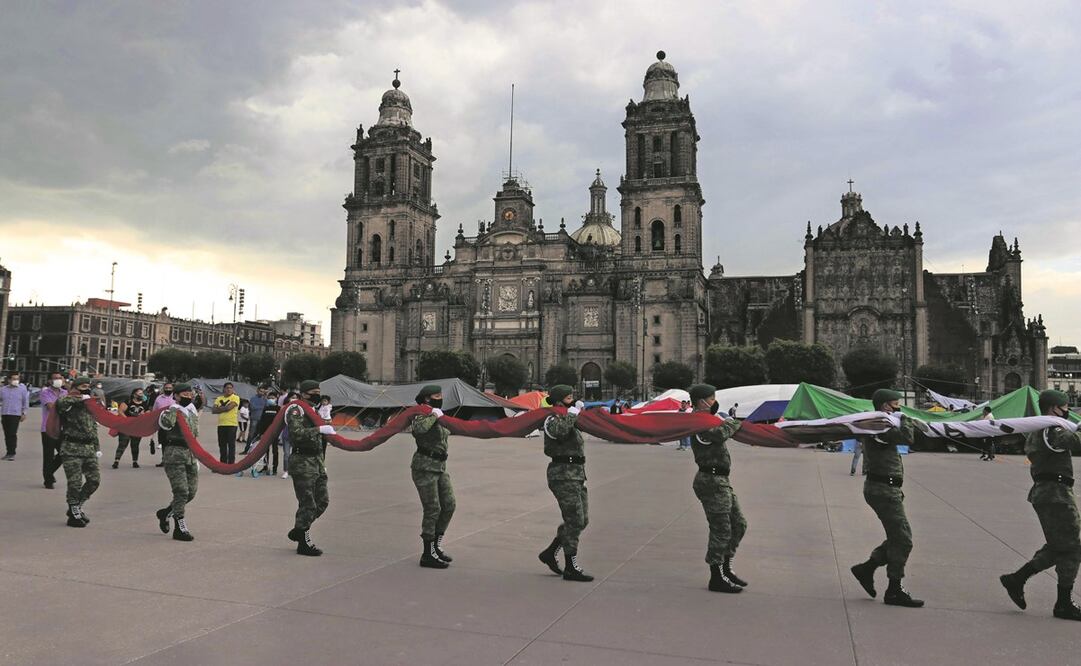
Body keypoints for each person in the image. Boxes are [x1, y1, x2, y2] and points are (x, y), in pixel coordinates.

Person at [999, 390, 1081, 621]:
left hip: (1052, 493)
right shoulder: (1051, 429)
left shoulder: (1042, 428)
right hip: (1055, 494)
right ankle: (1063, 603)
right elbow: (1073, 441)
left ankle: (1017, 579)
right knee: (1072, 547)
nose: (1068, 411)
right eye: (1065, 406)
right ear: (1054, 408)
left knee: (1060, 546)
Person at [850, 388, 925, 608]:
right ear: (885, 406)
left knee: (897, 537)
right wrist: (905, 419)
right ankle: (893, 590)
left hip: (885, 488)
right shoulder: (880, 425)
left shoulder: (880, 423)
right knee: (903, 539)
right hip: (882, 489)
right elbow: (907, 437)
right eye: (896, 404)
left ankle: (867, 568)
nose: (899, 408)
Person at [685, 383, 746, 593]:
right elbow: (718, 434)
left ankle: (725, 568)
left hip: (720, 480)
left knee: (739, 524)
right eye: (711, 398)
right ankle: (716, 577)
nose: (714, 401)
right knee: (721, 529)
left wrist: (728, 423)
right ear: (702, 401)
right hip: (710, 481)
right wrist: (732, 423)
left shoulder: (708, 419)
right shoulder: (697, 421)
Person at [537, 384, 593, 582]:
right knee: (575, 520)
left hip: (576, 474)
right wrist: (572, 414)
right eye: (568, 398)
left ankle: (550, 552)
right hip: (562, 475)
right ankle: (571, 566)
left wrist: (575, 415)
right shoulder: (552, 419)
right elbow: (559, 432)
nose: (573, 400)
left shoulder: (570, 418)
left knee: (582, 520)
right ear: (559, 401)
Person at [284, 380, 334, 556]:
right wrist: (319, 429)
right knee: (308, 504)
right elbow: (296, 434)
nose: (317, 395)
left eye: (319, 392)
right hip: (302, 462)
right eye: (314, 392)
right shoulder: (296, 410)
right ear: (304, 393)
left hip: (317, 462)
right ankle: (303, 543)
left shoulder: (314, 411)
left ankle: (298, 530)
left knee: (323, 501)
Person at [410, 385, 455, 568]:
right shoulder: (421, 414)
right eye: (437, 395)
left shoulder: (438, 414)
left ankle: (436, 546)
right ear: (427, 399)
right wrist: (434, 415)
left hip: (440, 467)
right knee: (433, 509)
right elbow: (419, 429)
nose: (440, 398)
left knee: (449, 505)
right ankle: (428, 553)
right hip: (424, 467)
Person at [154, 383, 199, 541]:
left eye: (189, 393)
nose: (188, 396)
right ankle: (179, 526)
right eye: (184, 394)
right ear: (177, 396)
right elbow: (166, 425)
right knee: (181, 491)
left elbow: (195, 433)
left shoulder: (192, 411)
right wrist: (174, 410)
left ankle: (165, 513)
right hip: (174, 454)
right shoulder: (170, 410)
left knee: (191, 492)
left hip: (190, 454)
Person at [56, 377, 101, 527]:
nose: (86, 389)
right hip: (71, 448)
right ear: (76, 388)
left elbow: (93, 429)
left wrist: (97, 447)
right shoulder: (69, 401)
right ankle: (74, 512)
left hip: (88, 449)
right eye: (83, 386)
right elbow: (61, 403)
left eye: (88, 386)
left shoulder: (89, 405)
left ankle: (76, 505)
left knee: (94, 481)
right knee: (75, 483)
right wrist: (80, 397)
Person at [39, 372, 67, 488]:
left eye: (59, 378)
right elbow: (51, 407)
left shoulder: (65, 392)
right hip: (48, 428)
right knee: (48, 455)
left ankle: (49, 472)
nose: (57, 380)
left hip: (61, 428)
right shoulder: (45, 393)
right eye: (55, 378)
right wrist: (64, 404)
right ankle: (48, 480)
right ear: (50, 380)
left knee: (64, 453)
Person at [113, 387, 147, 468]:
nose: (141, 395)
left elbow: (147, 412)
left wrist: (144, 415)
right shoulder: (128, 402)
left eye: (142, 393)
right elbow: (120, 411)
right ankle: (116, 461)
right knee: (123, 443)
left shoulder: (144, 403)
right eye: (140, 393)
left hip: (137, 427)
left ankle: (135, 461)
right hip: (126, 426)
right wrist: (127, 421)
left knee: (135, 444)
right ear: (134, 394)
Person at [0, 370, 30, 460]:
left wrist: (24, 413)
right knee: (7, 434)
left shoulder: (22, 389)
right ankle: (8, 451)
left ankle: (12, 453)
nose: (16, 381)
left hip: (15, 414)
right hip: (5, 413)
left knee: (12, 433)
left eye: (17, 379)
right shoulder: (3, 390)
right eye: (14, 379)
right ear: (9, 380)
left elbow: (25, 401)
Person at [255, 391, 283, 475]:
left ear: (276, 399)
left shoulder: (278, 408)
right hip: (266, 433)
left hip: (275, 433)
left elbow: (280, 421)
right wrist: (260, 432)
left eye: (273, 398)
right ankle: (265, 467)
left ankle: (274, 469)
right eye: (269, 398)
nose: (271, 399)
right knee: (265, 451)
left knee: (275, 451)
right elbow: (262, 421)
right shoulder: (266, 408)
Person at [212, 382, 241, 464]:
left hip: (232, 424)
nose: (229, 389)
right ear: (224, 389)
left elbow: (229, 408)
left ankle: (231, 463)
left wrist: (220, 408)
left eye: (230, 388)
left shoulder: (235, 397)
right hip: (221, 425)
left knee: (231, 445)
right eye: (227, 388)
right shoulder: (219, 398)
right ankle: (223, 463)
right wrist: (224, 408)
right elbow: (213, 410)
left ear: (233, 389)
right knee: (222, 445)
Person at [152, 382, 176, 467]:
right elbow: (154, 410)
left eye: (170, 388)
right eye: (166, 388)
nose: (168, 389)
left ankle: (173, 460)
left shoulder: (176, 398)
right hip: (162, 424)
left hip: (174, 424)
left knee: (173, 442)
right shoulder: (158, 398)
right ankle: (164, 460)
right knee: (163, 442)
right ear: (163, 388)